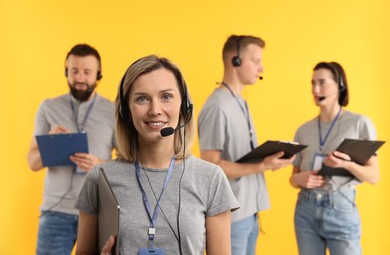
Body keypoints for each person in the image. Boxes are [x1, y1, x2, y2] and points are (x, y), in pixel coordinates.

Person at [74, 55, 240, 255]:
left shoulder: (211, 179)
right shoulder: (100, 178)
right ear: (126, 110)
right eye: (142, 99)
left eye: (166, 97)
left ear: (183, 107)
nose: (155, 110)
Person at [198, 35, 295, 255]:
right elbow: (211, 167)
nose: (261, 67)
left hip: (250, 211)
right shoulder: (217, 107)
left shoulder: (241, 101)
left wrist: (269, 160)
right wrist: (263, 166)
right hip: (231, 217)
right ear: (236, 61)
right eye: (255, 60)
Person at [27, 44, 117, 255]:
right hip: (55, 212)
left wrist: (99, 165)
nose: (80, 78)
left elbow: (129, 162)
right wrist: (49, 143)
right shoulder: (48, 107)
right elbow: (32, 162)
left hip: (98, 212)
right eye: (74, 71)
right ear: (66, 72)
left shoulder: (113, 110)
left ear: (98, 74)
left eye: (87, 72)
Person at [290, 61, 380, 255]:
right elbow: (293, 178)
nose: (315, 89)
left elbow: (373, 176)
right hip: (305, 209)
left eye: (322, 82)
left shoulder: (359, 123)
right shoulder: (303, 130)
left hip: (340, 208)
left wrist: (346, 164)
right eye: (312, 83)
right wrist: (299, 179)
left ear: (339, 85)